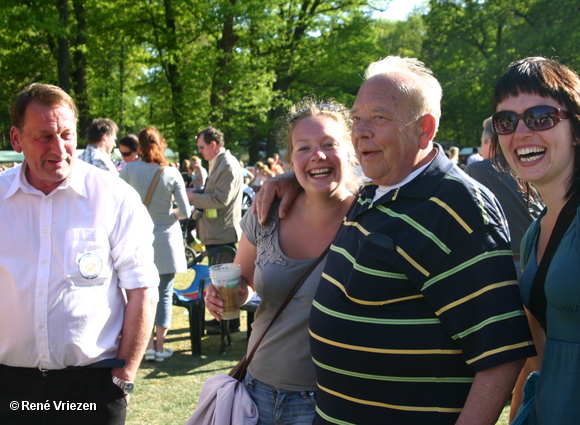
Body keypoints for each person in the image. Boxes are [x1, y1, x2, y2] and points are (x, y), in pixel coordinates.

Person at [255, 56, 535, 424]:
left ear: (425, 130)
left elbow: (501, 354)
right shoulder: (375, 191)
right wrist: (293, 177)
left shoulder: (456, 206)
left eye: (380, 118)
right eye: (356, 119)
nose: (360, 132)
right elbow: (330, 171)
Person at [490, 56, 580, 425]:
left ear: (576, 125)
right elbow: (537, 366)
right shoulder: (535, 233)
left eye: (541, 116)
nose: (521, 132)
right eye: (505, 122)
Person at [0, 83, 159, 424]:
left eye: (66, 134)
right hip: (9, 387)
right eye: (44, 136)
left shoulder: (113, 196)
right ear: (17, 140)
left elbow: (142, 289)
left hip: (92, 386)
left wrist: (125, 373)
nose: (59, 148)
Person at [205, 99, 359, 425]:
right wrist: (222, 296)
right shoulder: (265, 212)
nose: (317, 155)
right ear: (290, 160)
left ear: (350, 152)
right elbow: (243, 282)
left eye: (329, 144)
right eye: (303, 148)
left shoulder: (370, 218)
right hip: (256, 392)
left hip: (330, 401)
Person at [119, 126, 190, 362]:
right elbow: (186, 211)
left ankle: (146, 346)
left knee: (139, 294)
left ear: (139, 146)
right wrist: (168, 216)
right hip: (166, 239)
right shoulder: (171, 173)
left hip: (138, 239)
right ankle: (160, 348)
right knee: (165, 294)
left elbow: (118, 200)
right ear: (161, 144)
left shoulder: (129, 169)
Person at [466, 117, 542, 279]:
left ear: (491, 143)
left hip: (510, 263)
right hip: (543, 257)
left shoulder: (478, 171)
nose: (481, 150)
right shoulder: (530, 165)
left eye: (482, 143)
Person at [187, 126, 243, 332]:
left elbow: (221, 199)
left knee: (225, 284)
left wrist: (193, 197)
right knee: (220, 283)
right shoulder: (219, 162)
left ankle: (229, 323)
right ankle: (226, 320)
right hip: (217, 233)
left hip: (222, 234)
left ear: (213, 144)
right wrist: (198, 192)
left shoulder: (226, 164)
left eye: (202, 147)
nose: (200, 151)